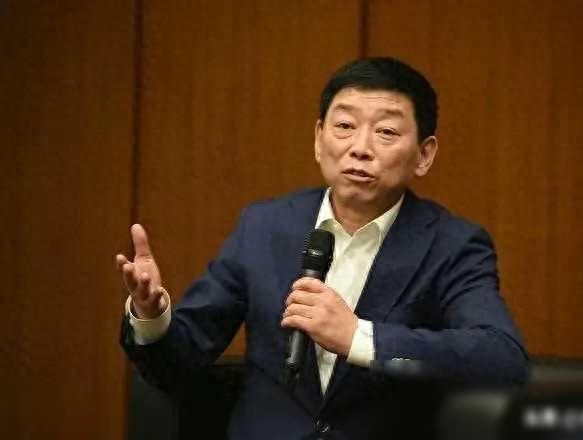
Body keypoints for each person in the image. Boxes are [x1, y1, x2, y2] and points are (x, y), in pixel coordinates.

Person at [117, 57, 528, 439]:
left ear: (424, 154)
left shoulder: (452, 246)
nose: (360, 148)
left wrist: (359, 339)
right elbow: (179, 361)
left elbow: (502, 360)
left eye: (386, 132)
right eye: (344, 126)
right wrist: (151, 317)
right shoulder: (263, 227)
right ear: (318, 139)